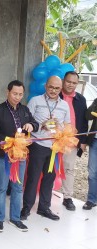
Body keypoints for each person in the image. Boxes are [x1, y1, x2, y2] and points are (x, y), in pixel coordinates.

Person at [0, 80, 39, 232]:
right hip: (4, 155)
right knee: (2, 188)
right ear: (7, 92)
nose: (17, 97)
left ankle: (15, 218)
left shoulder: (24, 110)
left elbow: (35, 123)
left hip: (20, 155)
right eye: (14, 93)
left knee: (18, 187)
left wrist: (32, 125)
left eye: (20, 94)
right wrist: (5, 140)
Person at [21, 76, 70, 221]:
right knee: (33, 178)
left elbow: (67, 125)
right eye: (51, 87)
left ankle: (44, 208)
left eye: (57, 88)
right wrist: (39, 125)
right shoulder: (35, 100)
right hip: (38, 144)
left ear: (61, 89)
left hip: (55, 147)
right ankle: (26, 207)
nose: (53, 90)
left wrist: (59, 127)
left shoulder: (64, 105)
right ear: (45, 86)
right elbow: (27, 120)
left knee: (49, 178)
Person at [59, 71, 87, 211]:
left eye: (74, 83)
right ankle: (43, 197)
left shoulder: (81, 99)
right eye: (69, 81)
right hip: (54, 139)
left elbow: (83, 121)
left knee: (69, 169)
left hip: (72, 141)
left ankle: (67, 197)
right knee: (48, 168)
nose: (71, 85)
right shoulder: (56, 94)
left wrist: (82, 140)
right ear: (64, 81)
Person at [84, 98, 97, 210]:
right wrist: (95, 103)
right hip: (95, 141)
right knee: (92, 172)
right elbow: (88, 116)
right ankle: (91, 200)